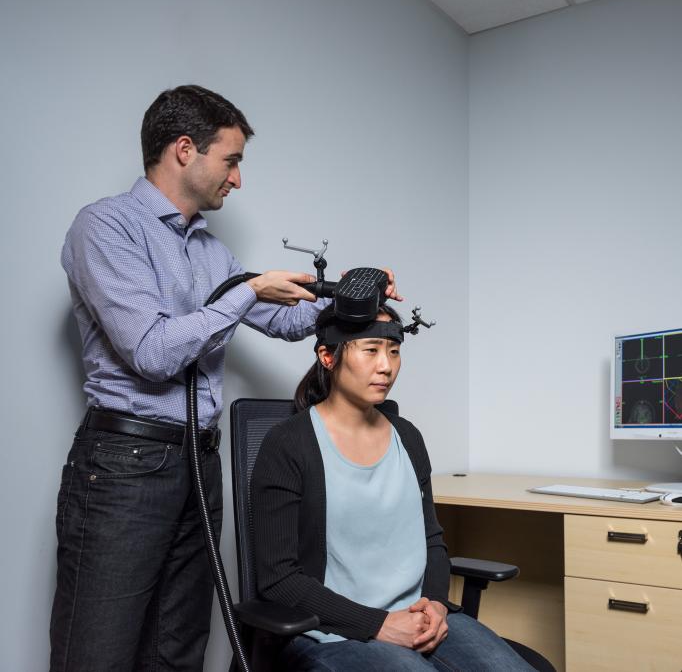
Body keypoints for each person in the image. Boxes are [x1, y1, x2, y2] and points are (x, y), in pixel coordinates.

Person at [50, 84, 400, 672]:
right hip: (125, 465)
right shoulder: (106, 228)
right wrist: (245, 292)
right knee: (99, 651)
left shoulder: (213, 254)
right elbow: (151, 352)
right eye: (231, 160)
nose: (237, 180)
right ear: (185, 150)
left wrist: (351, 297)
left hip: (198, 464)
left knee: (177, 648)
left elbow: (288, 322)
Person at [251, 304, 535, 671]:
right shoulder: (288, 444)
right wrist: (378, 625)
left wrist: (434, 603)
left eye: (394, 351)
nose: (386, 366)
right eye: (370, 350)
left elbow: (431, 540)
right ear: (327, 356)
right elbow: (279, 580)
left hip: (418, 615)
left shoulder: (408, 437)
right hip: (331, 631)